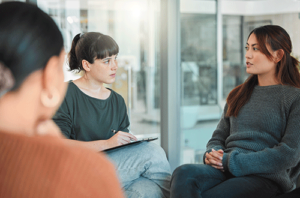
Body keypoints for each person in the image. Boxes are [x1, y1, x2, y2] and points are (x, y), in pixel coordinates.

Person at [0, 2, 125, 198]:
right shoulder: (86, 174)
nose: (114, 66)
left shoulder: (116, 100)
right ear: (50, 74)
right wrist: (59, 152)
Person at [170, 25, 300, 198]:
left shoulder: (294, 98)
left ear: (278, 55)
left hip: (265, 177)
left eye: (256, 49)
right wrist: (212, 153)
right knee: (183, 173)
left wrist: (231, 162)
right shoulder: (238, 94)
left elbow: (289, 154)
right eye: (247, 48)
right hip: (225, 168)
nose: (247, 55)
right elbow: (218, 137)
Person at [53, 32, 171, 198]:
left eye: (115, 58)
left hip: (112, 171)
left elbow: (122, 148)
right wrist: (107, 143)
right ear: (87, 65)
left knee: (147, 189)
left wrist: (127, 142)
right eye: (107, 61)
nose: (115, 66)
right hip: (77, 171)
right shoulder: (65, 94)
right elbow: (59, 147)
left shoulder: (117, 101)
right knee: (153, 153)